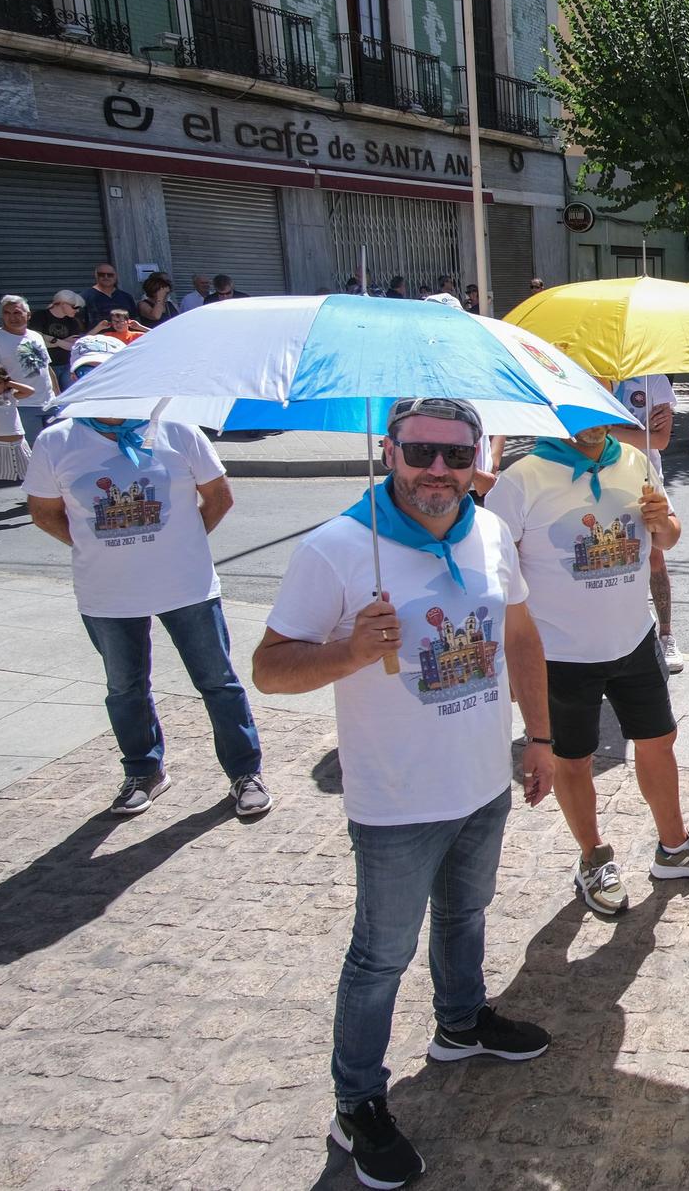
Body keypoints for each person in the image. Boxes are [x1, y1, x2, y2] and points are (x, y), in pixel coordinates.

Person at [252, 397, 550, 1191]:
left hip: (483, 778)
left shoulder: (486, 529)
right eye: (422, 453)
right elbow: (269, 668)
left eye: (457, 456)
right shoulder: (338, 548)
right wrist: (350, 651)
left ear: (477, 457)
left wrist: (542, 739)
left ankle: (460, 1023)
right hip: (395, 800)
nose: (438, 472)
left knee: (467, 915)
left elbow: (519, 636)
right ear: (389, 451)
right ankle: (358, 1103)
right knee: (380, 956)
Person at [486, 418, 689, 917]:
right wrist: (509, 664)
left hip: (634, 640)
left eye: (599, 411)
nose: (593, 426)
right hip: (559, 655)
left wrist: (662, 521)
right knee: (574, 761)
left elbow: (668, 537)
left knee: (659, 743)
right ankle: (593, 858)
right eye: (579, 416)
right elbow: (493, 573)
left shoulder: (635, 462)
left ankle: (674, 847)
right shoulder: (522, 478)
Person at [24, 375, 265, 817]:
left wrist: (183, 542)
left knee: (218, 681)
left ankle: (245, 771)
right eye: (88, 375)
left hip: (186, 585)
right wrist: (93, 543)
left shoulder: (178, 430)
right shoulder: (56, 441)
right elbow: (43, 512)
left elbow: (218, 496)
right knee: (125, 688)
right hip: (108, 592)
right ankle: (144, 769)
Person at [613, 373, 683, 670]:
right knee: (613, 556)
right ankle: (621, 632)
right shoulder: (591, 374)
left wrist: (608, 431)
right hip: (599, 478)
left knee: (655, 554)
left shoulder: (653, 380)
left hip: (644, 477)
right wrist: (637, 431)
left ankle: (666, 634)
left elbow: (660, 439)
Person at [0, 297, 54, 440]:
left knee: (56, 449)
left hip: (49, 403)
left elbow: (47, 368)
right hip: (22, 405)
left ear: (28, 315)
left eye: (16, 313)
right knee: (32, 451)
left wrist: (57, 397)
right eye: (6, 313)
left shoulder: (36, 336)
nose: (11, 317)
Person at [0, 364, 33, 519]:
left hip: (18, 443)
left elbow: (30, 391)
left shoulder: (11, 396)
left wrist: (8, 383)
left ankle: (37, 500)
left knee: (32, 473)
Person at [35, 292, 86, 389]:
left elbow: (73, 346)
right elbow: (37, 342)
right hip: (47, 366)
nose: (77, 310)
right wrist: (64, 341)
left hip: (67, 365)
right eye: (75, 307)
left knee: (69, 395)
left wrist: (53, 340)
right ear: (63, 304)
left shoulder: (73, 322)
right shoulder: (40, 316)